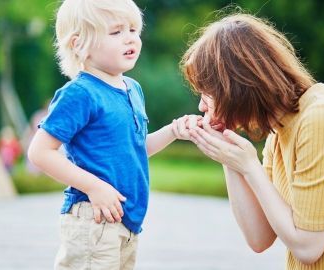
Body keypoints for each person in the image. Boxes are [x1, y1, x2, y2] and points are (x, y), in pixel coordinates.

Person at [181, 13, 324, 269]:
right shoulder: (279, 134)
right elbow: (259, 238)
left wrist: (249, 166)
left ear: (237, 85)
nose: (201, 105)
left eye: (206, 93)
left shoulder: (322, 118)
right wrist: (228, 157)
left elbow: (308, 247)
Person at [27, 0, 197, 269]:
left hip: (126, 221)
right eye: (116, 32)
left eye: (133, 29)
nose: (130, 38)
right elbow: (39, 152)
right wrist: (94, 187)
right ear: (78, 45)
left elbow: (134, 149)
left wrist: (172, 131)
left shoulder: (133, 88)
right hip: (94, 220)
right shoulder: (80, 93)